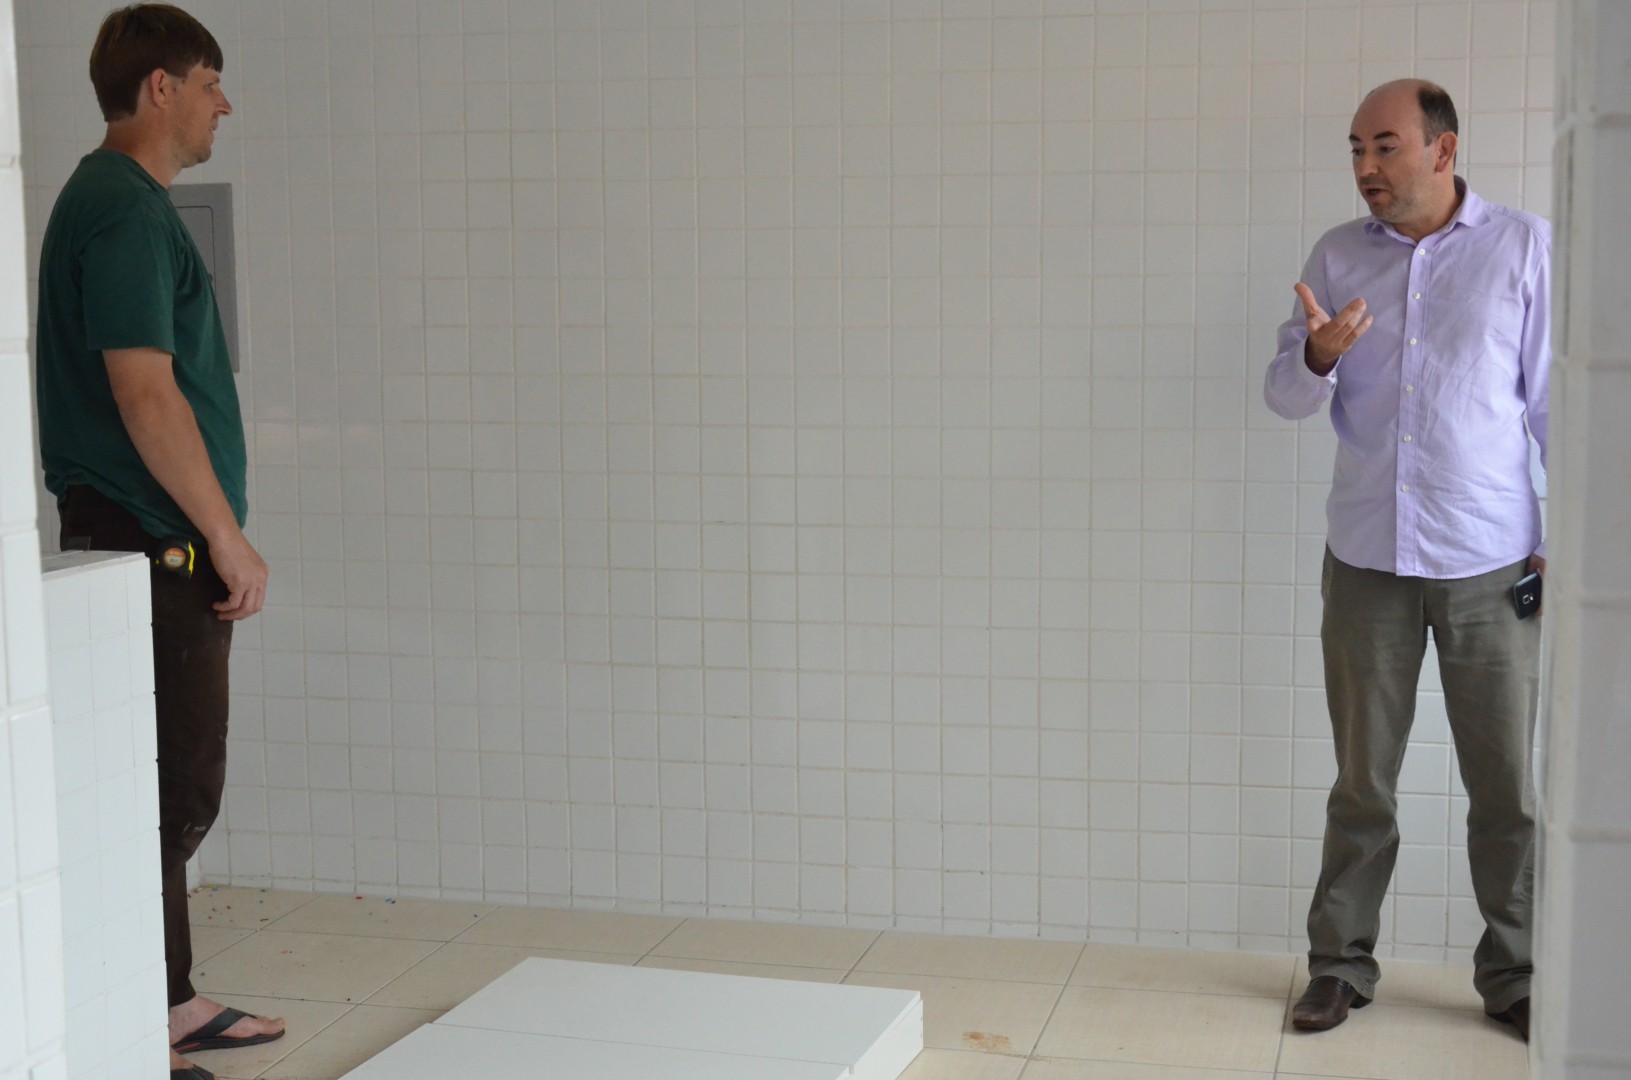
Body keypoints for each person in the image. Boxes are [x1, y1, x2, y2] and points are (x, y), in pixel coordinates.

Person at [1265, 79, 1549, 1041]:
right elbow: (1285, 398)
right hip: (1365, 561)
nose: (1365, 167)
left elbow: (1556, 404)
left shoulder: (1522, 247)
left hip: (1490, 564)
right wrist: (1315, 358)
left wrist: (1568, 544)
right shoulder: (1336, 255)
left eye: (1383, 146)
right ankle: (1337, 966)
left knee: (1505, 790)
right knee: (1362, 785)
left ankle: (1515, 975)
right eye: (1355, 149)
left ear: (1442, 148)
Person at [33, 6, 283, 1078]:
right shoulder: (124, 211)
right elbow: (144, 392)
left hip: (143, 535)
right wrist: (226, 537)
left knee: (156, 790)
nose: (226, 104)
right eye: (210, 82)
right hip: (153, 541)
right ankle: (133, 1023)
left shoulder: (118, 203)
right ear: (160, 89)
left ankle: (164, 1004)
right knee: (170, 792)